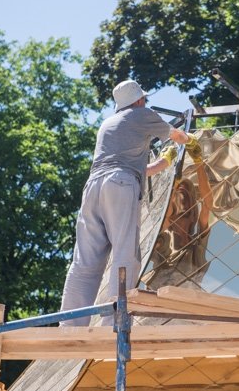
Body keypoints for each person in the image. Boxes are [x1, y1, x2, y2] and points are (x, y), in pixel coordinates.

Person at [59, 79, 202, 326]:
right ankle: (113, 326)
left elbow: (131, 167)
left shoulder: (108, 124)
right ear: (138, 100)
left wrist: (164, 164)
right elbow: (176, 135)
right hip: (120, 184)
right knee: (125, 256)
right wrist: (192, 141)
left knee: (85, 262)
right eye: (143, 99)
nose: (145, 102)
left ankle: (69, 327)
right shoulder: (141, 114)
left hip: (93, 188)